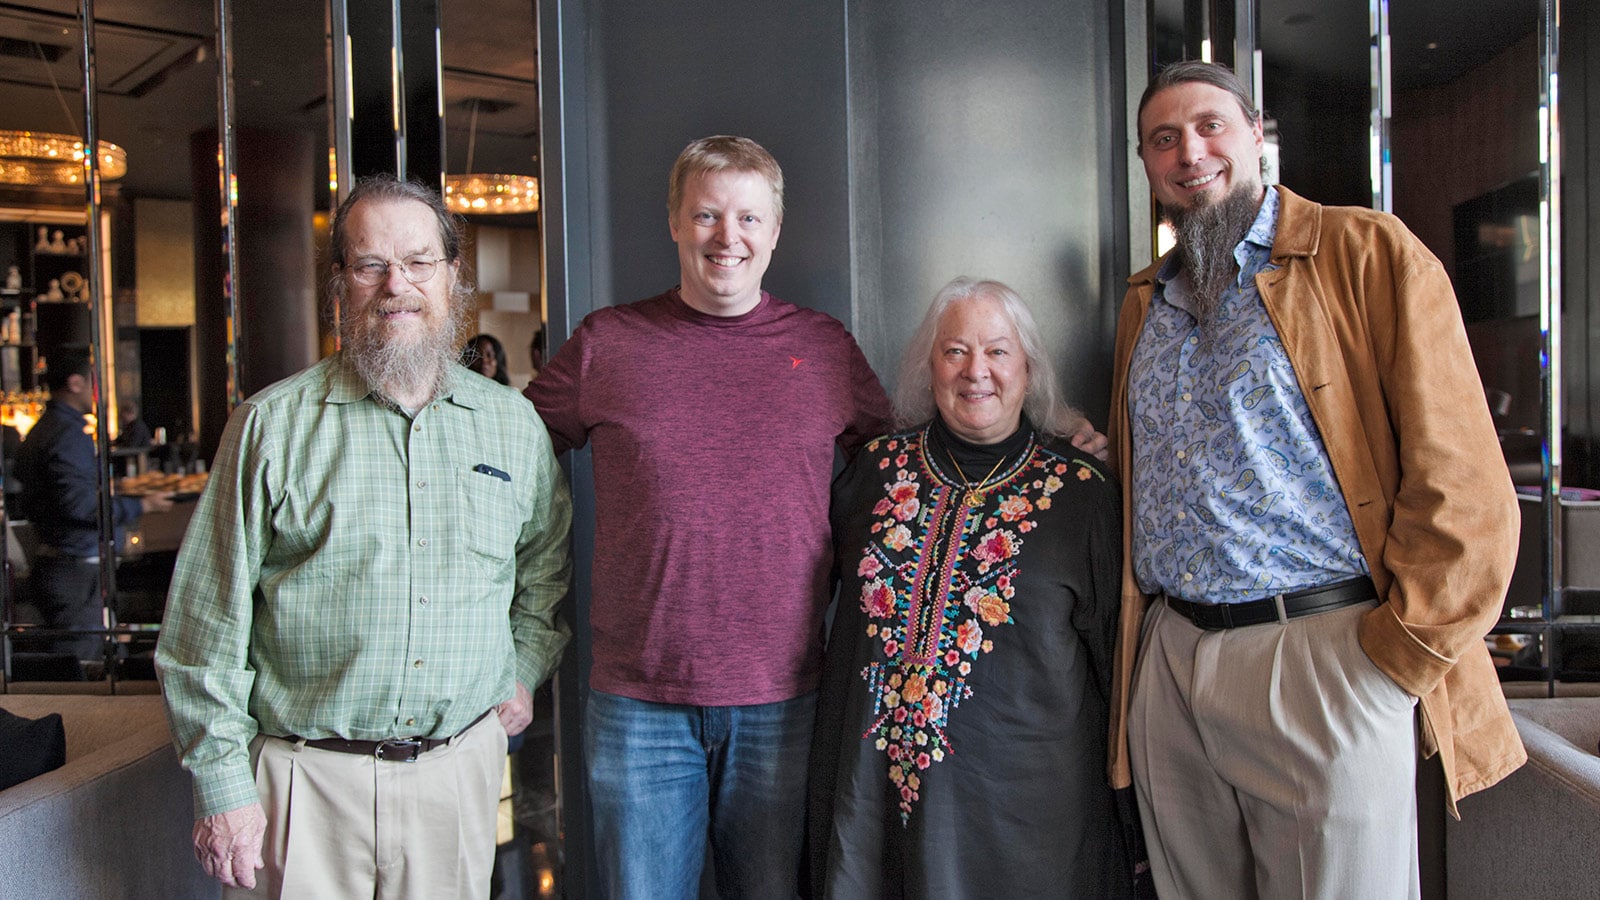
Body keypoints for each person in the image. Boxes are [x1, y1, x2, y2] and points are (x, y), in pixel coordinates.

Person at [1106, 60, 1524, 898]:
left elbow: (1467, 486)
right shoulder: (1143, 300)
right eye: (1164, 139)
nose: (1189, 151)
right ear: (1147, 165)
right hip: (1172, 659)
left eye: (1210, 125)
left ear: (1257, 135)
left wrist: (1396, 659)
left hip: (1321, 652)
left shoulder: (1364, 252)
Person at [155, 174, 572, 898]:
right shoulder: (270, 428)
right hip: (304, 786)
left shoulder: (512, 424)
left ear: (452, 278)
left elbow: (545, 565)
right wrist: (223, 789)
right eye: (370, 264)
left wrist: (525, 662)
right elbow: (203, 629)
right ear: (340, 285)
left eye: (417, 262)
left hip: (458, 775)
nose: (395, 285)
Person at [525, 134, 892, 898]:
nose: (728, 237)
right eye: (707, 215)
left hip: (785, 698)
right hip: (638, 706)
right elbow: (502, 457)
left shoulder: (823, 349)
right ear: (674, 222)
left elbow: (901, 471)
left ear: (775, 231)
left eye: (749, 218)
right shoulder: (607, 343)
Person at [809, 277, 1134, 897]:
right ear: (928, 366)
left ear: (1029, 369)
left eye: (998, 351)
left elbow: (1117, 665)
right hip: (879, 806)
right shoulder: (874, 473)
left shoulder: (1083, 493)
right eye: (955, 351)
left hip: (1032, 812)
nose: (975, 371)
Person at [14, 347, 172, 661]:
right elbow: (80, 507)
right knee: (81, 663)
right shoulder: (67, 435)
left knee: (84, 655)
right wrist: (141, 506)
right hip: (73, 568)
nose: (98, 392)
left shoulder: (41, 431)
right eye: (93, 383)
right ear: (75, 383)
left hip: (56, 562)